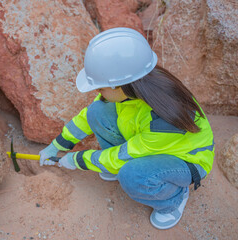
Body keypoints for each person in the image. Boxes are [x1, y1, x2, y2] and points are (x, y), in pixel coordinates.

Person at [38, 28, 214, 230]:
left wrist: (78, 160)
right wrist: (58, 145)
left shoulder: (164, 122)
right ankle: (110, 166)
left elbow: (125, 155)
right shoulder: (136, 85)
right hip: (146, 144)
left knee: (132, 175)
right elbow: (88, 117)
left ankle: (173, 200)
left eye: (100, 87)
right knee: (98, 111)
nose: (97, 91)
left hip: (187, 159)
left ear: (117, 85)